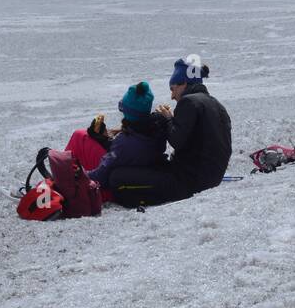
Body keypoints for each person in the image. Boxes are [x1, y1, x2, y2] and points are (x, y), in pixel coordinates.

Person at [107, 58, 232, 208]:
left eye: (173, 89)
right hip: (209, 178)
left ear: (184, 83)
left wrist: (168, 119)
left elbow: (176, 140)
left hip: (189, 181)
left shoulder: (189, 102)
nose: (172, 96)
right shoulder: (216, 104)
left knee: (117, 178)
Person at [84, 82, 168, 193]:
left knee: (81, 136)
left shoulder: (124, 142)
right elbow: (131, 148)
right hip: (147, 169)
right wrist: (106, 139)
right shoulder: (157, 126)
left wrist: (80, 174)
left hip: (119, 184)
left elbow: (100, 175)